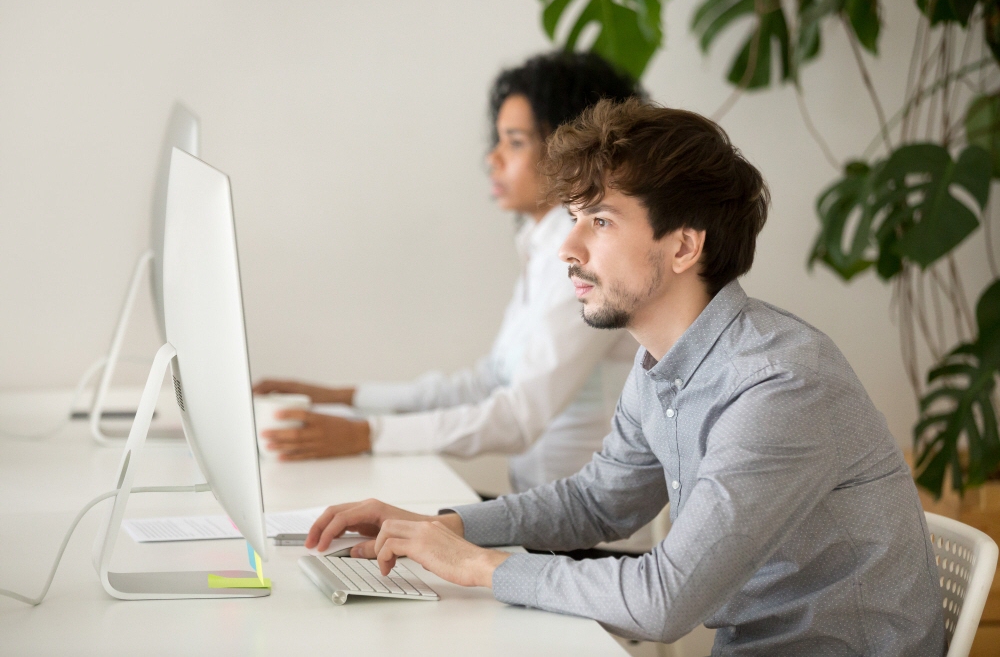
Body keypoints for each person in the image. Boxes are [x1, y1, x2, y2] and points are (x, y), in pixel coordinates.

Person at [304, 99, 945, 654]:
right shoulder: (661, 364)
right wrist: (447, 526)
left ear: (684, 247)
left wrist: (478, 567)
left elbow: (663, 600)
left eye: (601, 221)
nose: (569, 247)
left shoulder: (780, 386)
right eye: (575, 217)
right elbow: (597, 502)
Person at [255, 52, 643, 494]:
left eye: (515, 142)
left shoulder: (582, 256)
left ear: (572, 151)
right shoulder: (542, 244)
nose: (492, 159)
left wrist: (365, 434)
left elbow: (518, 417)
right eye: (497, 141)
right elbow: (489, 381)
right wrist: (346, 399)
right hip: (541, 510)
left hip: (586, 535)